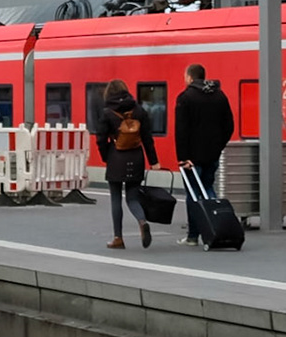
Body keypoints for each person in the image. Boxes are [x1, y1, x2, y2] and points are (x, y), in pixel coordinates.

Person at [173, 63, 236, 245]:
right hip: (212, 155)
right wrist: (218, 147)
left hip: (192, 158)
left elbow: (181, 131)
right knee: (208, 189)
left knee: (193, 194)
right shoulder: (219, 96)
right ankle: (216, 227)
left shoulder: (185, 98)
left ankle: (193, 235)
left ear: (190, 78)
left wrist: (184, 157)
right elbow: (229, 126)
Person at [97, 79, 160, 250]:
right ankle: (142, 221)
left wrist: (106, 157)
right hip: (136, 157)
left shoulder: (107, 112)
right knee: (132, 197)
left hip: (116, 158)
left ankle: (118, 238)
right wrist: (154, 161)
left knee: (116, 199)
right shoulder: (139, 110)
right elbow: (147, 138)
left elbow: (101, 139)